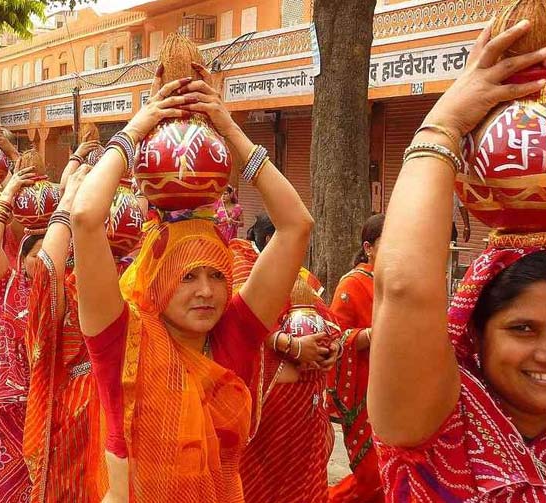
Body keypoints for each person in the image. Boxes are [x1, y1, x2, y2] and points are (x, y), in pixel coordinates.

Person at [72, 63, 313, 500]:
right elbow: (87, 217)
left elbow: (297, 224)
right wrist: (136, 128)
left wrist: (229, 128)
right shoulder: (119, 338)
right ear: (157, 278)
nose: (206, 291)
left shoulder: (234, 334)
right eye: (188, 277)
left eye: (218, 276)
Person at [368, 21, 546, 500]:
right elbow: (404, 289)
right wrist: (442, 126)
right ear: (475, 333)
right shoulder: (436, 426)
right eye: (523, 328)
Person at [232, 215, 341, 503]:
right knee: (257, 485)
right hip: (265, 408)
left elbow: (330, 321)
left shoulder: (301, 277)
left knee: (304, 485)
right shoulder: (242, 265)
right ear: (272, 240)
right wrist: (292, 346)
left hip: (304, 413)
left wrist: (333, 349)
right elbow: (240, 318)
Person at [21, 162, 104, 503]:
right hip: (78, 416)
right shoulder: (68, 292)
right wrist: (69, 199)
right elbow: (47, 269)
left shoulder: (138, 283)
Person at [0, 167, 42, 503]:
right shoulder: (7, 286)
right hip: (6, 403)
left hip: (46, 405)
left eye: (52, 255)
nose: (44, 262)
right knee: (5, 484)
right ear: (23, 257)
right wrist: (10, 189)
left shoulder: (68, 294)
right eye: (37, 256)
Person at [326, 213, 385, 503]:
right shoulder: (353, 285)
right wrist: (377, 333)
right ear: (368, 247)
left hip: (399, 387)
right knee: (371, 476)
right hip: (365, 391)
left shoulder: (401, 281)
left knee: (392, 471)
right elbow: (336, 338)